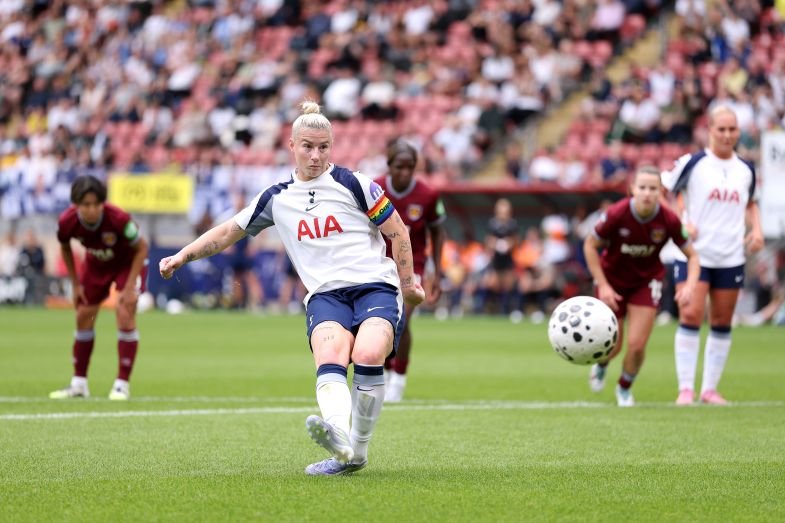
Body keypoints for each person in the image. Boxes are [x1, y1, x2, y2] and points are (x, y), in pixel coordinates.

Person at [159, 101, 424, 476]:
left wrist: (408, 284)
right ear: (292, 146)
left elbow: (397, 231)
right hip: (326, 296)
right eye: (308, 147)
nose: (316, 156)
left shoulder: (356, 184)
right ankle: (339, 438)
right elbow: (228, 232)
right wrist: (182, 255)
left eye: (323, 147)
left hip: (375, 287)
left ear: (332, 147)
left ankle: (356, 451)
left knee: (367, 353)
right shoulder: (276, 197)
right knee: (330, 354)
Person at [662, 105, 764, 405]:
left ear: (739, 132)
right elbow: (668, 192)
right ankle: (685, 389)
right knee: (691, 313)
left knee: (721, 320)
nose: (727, 135)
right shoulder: (693, 163)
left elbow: (751, 202)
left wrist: (757, 230)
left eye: (732, 129)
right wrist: (682, 221)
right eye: (721, 129)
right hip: (694, 253)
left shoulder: (746, 169)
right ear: (709, 130)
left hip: (730, 254)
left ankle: (709, 389)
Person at [583, 166, 700, 407]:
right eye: (643, 187)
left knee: (637, 345)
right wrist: (603, 285)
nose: (647, 193)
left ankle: (624, 388)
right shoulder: (616, 214)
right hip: (612, 282)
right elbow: (589, 245)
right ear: (632, 190)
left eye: (653, 188)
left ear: (660, 192)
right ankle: (602, 364)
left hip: (646, 283)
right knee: (613, 345)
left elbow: (693, 256)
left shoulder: (668, 219)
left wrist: (690, 285)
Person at [50, 175, 149, 401]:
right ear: (76, 205)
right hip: (96, 265)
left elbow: (142, 248)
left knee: (124, 312)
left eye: (96, 204)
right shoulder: (66, 222)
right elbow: (65, 247)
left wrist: (129, 287)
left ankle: (121, 385)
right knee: (84, 315)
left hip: (127, 264)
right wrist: (75, 283)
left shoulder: (119, 219)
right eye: (86, 205)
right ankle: (79, 384)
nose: (92, 210)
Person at [375, 140, 446, 402]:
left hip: (413, 265)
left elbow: (438, 232)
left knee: (401, 320)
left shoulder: (428, 195)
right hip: (379, 263)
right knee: (379, 321)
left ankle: (399, 378)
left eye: (410, 167)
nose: (405, 172)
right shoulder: (374, 190)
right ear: (389, 165)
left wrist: (437, 272)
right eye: (399, 167)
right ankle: (383, 372)